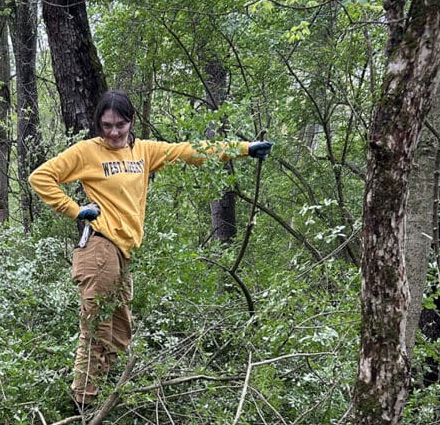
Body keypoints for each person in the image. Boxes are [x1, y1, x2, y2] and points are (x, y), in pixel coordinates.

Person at [29, 90, 272, 408]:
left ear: (131, 121)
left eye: (120, 125)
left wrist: (245, 149)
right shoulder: (88, 152)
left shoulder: (143, 151)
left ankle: (97, 396)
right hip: (99, 247)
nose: (114, 133)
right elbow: (41, 177)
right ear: (98, 125)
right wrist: (75, 209)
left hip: (123, 253)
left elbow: (191, 151)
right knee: (97, 328)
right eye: (106, 126)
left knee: (119, 332)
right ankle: (84, 405)